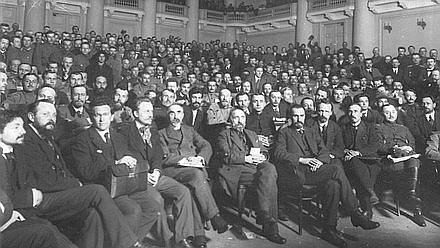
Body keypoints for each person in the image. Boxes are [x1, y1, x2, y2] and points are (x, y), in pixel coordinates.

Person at [13, 100, 145, 248]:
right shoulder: (25, 141)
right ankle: (129, 243)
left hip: (58, 192)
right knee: (97, 191)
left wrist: (74, 183)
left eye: (54, 115)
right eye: (45, 114)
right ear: (31, 116)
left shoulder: (46, 136)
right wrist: (76, 184)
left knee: (92, 214)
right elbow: (42, 180)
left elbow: (62, 170)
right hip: (42, 198)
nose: (51, 118)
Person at [69, 98, 172, 246]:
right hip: (103, 189)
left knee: (153, 206)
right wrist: (116, 163)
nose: (101, 118)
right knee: (133, 210)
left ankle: (130, 242)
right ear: (92, 117)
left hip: (124, 185)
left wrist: (131, 161)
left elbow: (128, 160)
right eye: (97, 115)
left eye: (105, 114)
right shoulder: (82, 140)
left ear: (111, 116)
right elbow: (86, 172)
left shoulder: (118, 137)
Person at [274, 104, 380, 248]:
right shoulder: (284, 132)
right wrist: (302, 160)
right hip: (297, 172)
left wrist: (318, 161)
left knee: (333, 185)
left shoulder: (310, 131)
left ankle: (328, 229)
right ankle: (355, 213)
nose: (299, 119)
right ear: (290, 117)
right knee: (336, 170)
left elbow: (323, 150)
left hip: (315, 169)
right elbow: (278, 153)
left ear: (305, 116)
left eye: (301, 115)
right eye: (295, 116)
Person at [119, 97, 201, 248]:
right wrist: (144, 174)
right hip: (138, 178)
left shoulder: (153, 130)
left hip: (155, 176)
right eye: (146, 111)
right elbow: (124, 157)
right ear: (136, 114)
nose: (150, 114)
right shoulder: (124, 131)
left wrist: (156, 171)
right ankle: (168, 240)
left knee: (183, 192)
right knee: (157, 200)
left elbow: (157, 156)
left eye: (151, 111)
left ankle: (182, 238)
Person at [0, 109, 77, 248]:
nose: (23, 131)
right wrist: (8, 215)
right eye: (16, 127)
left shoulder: (13, 153)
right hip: (5, 220)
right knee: (43, 231)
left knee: (46, 226)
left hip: (14, 210)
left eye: (23, 126)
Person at [158, 104, 230, 237]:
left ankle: (199, 236)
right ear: (168, 116)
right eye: (172, 113)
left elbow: (205, 145)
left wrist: (200, 158)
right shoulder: (161, 134)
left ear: (183, 115)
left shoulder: (189, 130)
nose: (176, 116)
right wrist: (186, 160)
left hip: (193, 169)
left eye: (179, 112)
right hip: (174, 169)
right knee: (197, 174)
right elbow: (165, 157)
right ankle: (214, 216)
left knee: (192, 190)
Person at [217, 108, 286, 244]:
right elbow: (225, 155)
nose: (239, 120)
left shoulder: (252, 133)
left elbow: (265, 151)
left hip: (256, 167)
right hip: (238, 169)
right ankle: (270, 228)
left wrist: (263, 156)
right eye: (235, 117)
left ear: (245, 119)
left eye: (242, 117)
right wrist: (246, 158)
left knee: (270, 168)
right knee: (270, 181)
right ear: (230, 120)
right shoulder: (224, 134)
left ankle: (264, 213)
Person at [376, 104, 426, 227]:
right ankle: (415, 204)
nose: (391, 114)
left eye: (393, 111)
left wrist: (409, 148)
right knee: (406, 168)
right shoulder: (378, 128)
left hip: (407, 158)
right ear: (383, 115)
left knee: (414, 161)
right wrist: (393, 149)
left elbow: (412, 143)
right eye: (387, 112)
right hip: (390, 160)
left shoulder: (404, 128)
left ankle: (413, 199)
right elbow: (378, 146)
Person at [341, 103, 381, 220]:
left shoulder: (370, 127)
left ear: (361, 113)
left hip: (369, 160)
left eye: (355, 111)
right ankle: (369, 198)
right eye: (350, 111)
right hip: (350, 161)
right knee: (355, 166)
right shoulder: (344, 128)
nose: (353, 114)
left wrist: (358, 153)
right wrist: (347, 151)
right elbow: (340, 144)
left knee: (358, 171)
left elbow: (375, 145)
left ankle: (366, 208)